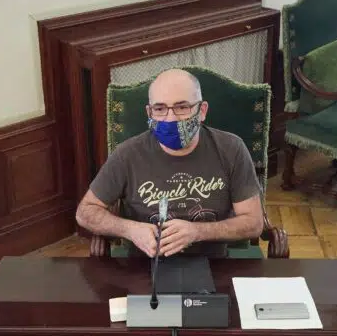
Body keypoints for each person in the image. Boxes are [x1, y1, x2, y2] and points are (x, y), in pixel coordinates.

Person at [75, 68, 264, 258]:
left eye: (182, 107)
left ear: (202, 110)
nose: (171, 118)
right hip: (143, 265)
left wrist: (198, 232)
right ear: (149, 112)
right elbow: (85, 212)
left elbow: (254, 223)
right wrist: (130, 229)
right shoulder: (127, 154)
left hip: (213, 263)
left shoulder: (231, 149)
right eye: (160, 109)